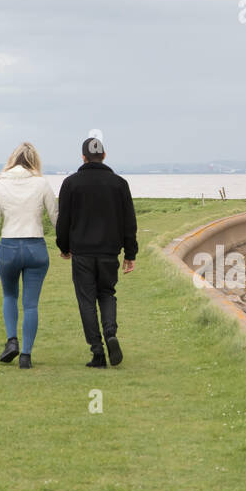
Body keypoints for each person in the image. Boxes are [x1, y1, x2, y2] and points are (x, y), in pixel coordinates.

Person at [55, 136, 137, 368]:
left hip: (82, 252)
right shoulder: (119, 184)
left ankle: (98, 352)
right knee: (107, 293)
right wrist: (130, 253)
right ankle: (110, 332)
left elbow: (64, 221)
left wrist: (64, 246)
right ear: (104, 156)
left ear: (83, 157)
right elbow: (129, 222)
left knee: (86, 301)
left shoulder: (71, 184)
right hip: (109, 252)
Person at [0, 142, 58, 368]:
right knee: (31, 304)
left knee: (9, 296)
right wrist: (66, 246)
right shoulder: (42, 184)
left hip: (9, 247)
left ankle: (11, 341)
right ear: (34, 161)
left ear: (12, 160)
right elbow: (56, 217)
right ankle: (26, 355)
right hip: (36, 247)